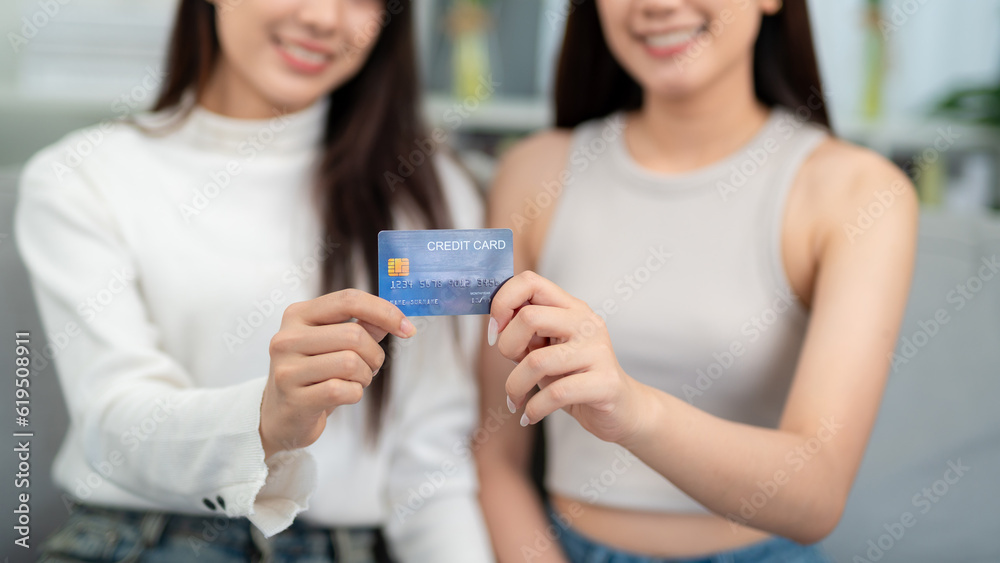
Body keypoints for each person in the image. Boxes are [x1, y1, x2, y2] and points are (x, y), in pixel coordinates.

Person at [15, 0, 493, 561]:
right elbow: (113, 423)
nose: (323, 18)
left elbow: (433, 455)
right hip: (142, 538)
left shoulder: (436, 194)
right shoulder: (79, 178)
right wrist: (266, 418)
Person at [476, 0, 918, 561]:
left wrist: (632, 409)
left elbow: (818, 495)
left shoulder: (859, 193)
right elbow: (495, 453)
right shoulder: (531, 173)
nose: (657, 5)